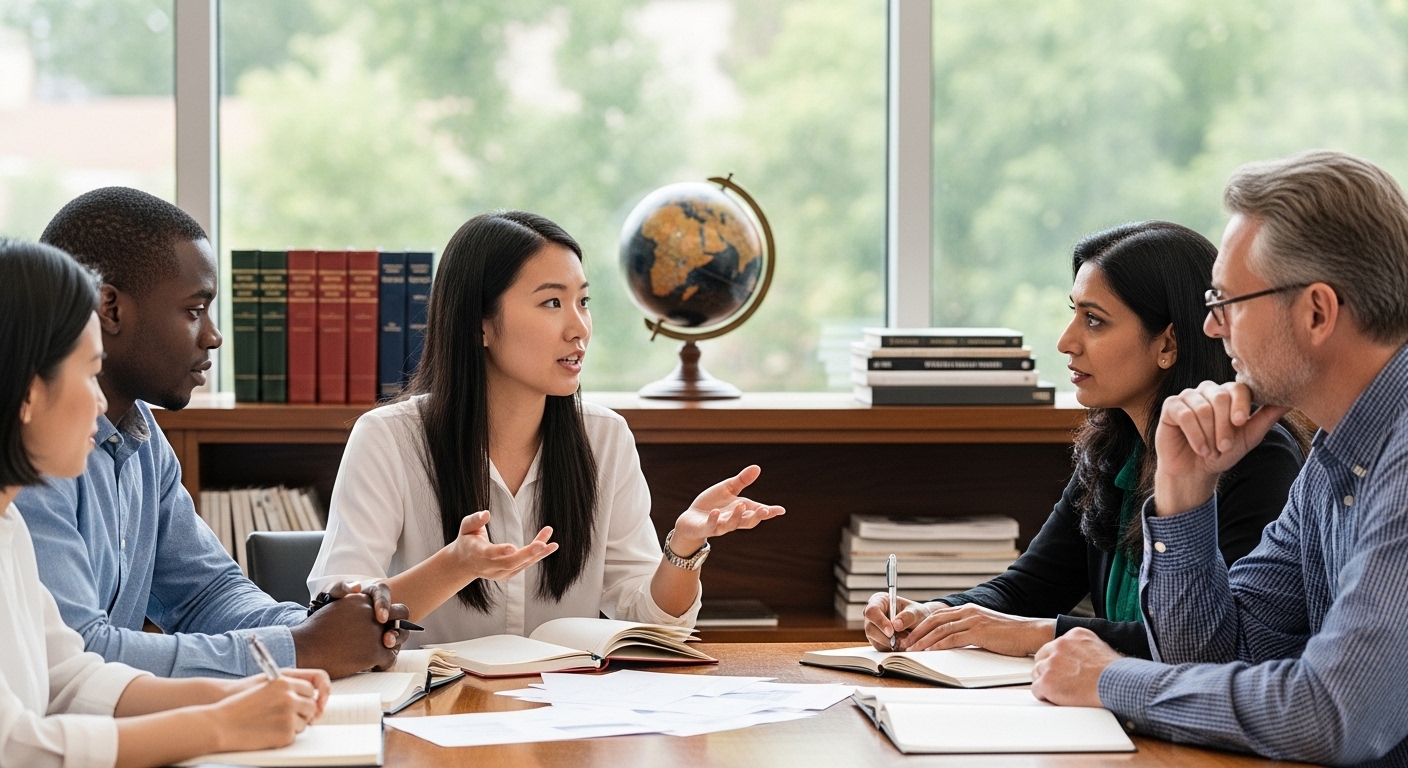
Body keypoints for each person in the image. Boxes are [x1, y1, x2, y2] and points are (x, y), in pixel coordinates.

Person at [1031, 150, 1408, 766]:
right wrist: (1184, 490)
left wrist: (1110, 678)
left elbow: (1331, 714)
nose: (1211, 329)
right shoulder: (1335, 459)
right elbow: (1216, 657)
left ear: (1316, 311)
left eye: (1226, 301)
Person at [308, 210, 785, 643]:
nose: (578, 328)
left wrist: (683, 547)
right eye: (552, 303)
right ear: (481, 325)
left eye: (583, 301)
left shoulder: (605, 438)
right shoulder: (389, 439)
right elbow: (337, 618)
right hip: (432, 711)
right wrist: (455, 566)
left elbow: (651, 626)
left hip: (564, 718)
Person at [15, 187, 410, 680]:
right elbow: (78, 654)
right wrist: (298, 648)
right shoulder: (32, 453)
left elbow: (207, 592)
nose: (214, 336)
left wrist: (321, 628)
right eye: (194, 310)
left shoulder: (143, 441)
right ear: (110, 309)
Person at [864, 222, 1307, 658]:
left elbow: (1212, 645)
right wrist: (931, 615)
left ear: (1168, 343)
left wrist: (1039, 634)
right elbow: (1031, 587)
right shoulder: (1117, 446)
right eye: (1073, 312)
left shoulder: (1258, 457)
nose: (1065, 341)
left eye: (1094, 320)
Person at [0, 237, 331, 768]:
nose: (102, 401)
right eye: (89, 374)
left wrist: (240, 695)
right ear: (27, 393)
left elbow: (69, 676)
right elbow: (14, 746)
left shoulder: (8, 525)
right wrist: (217, 725)